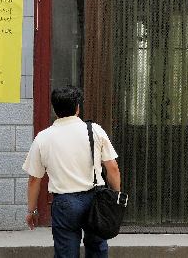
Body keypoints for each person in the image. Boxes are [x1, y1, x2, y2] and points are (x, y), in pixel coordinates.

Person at [23, 85, 121, 258]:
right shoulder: (94, 130)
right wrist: (115, 198)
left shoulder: (43, 138)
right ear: (78, 107)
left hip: (64, 203)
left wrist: (32, 211)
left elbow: (34, 180)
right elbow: (112, 167)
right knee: (97, 248)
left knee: (66, 253)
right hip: (95, 199)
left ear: (54, 109)